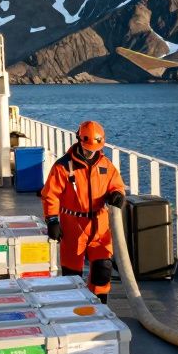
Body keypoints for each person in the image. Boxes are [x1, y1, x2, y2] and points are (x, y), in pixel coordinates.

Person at [39, 121, 126, 297]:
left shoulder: (106, 165)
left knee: (103, 270)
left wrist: (117, 194)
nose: (91, 152)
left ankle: (100, 308)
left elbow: (116, 185)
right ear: (79, 141)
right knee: (72, 275)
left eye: (94, 149)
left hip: (100, 226)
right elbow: (51, 195)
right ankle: (74, 310)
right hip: (73, 225)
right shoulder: (62, 166)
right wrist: (52, 220)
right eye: (88, 149)